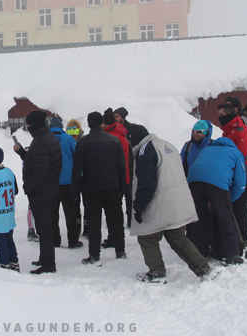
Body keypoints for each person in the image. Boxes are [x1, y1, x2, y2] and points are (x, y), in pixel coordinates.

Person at [128, 125, 211, 283]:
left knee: (147, 238)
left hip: (162, 202)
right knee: (178, 237)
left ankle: (157, 272)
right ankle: (203, 269)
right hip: (179, 199)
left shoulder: (145, 150)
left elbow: (146, 183)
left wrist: (138, 207)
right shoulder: (166, 145)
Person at [71, 111, 127, 265]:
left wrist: (75, 191)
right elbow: (122, 167)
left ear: (88, 125)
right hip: (113, 187)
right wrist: (122, 187)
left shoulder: (82, 143)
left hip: (91, 188)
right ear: (102, 123)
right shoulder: (115, 140)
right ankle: (120, 251)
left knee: (94, 222)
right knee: (116, 220)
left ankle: (94, 255)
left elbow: (77, 169)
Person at [186, 137, 246, 265]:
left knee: (199, 217)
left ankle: (199, 251)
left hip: (193, 180)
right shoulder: (236, 153)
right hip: (217, 182)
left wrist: (211, 201)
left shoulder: (206, 149)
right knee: (225, 218)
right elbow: (240, 184)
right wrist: (227, 202)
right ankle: (230, 254)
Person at [15, 111, 62, 274]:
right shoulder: (46, 137)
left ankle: (49, 264)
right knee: (44, 228)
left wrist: (28, 186)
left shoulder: (41, 141)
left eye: (28, 125)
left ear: (34, 125)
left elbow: (41, 171)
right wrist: (22, 153)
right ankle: (44, 258)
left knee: (44, 229)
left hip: (42, 193)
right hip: (49, 190)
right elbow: (37, 160)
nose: (27, 128)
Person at [217, 103, 247, 247]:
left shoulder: (238, 129)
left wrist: (235, 174)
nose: (219, 118)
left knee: (239, 203)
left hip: (239, 171)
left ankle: (244, 235)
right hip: (229, 170)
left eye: (221, 115)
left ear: (229, 114)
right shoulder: (228, 129)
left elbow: (243, 154)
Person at [49, 117, 82, 249]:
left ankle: (55, 240)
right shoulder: (68, 139)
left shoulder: (46, 140)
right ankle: (73, 241)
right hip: (68, 182)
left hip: (51, 183)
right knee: (70, 213)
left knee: (53, 213)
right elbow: (77, 157)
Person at [102, 107, 132, 238]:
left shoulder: (111, 137)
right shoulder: (120, 135)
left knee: (113, 210)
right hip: (122, 176)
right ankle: (115, 237)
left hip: (115, 178)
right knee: (116, 209)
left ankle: (114, 238)